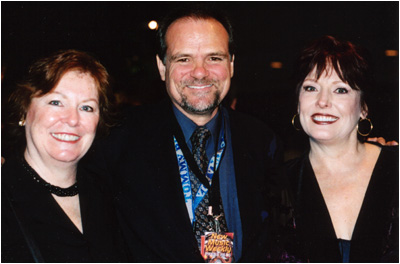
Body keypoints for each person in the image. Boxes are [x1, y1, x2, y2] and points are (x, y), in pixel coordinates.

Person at [84, 5, 283, 262]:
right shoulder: (116, 141)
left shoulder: (262, 141)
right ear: (162, 67)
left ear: (231, 64)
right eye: (184, 59)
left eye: (214, 58)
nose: (200, 72)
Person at [279, 36, 398, 262]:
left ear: (363, 107)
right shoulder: (278, 185)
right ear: (298, 102)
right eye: (311, 88)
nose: (323, 101)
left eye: (340, 90)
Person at [1, 50, 128, 262]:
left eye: (87, 107)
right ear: (24, 111)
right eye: (56, 102)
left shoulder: (111, 196)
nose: (72, 119)